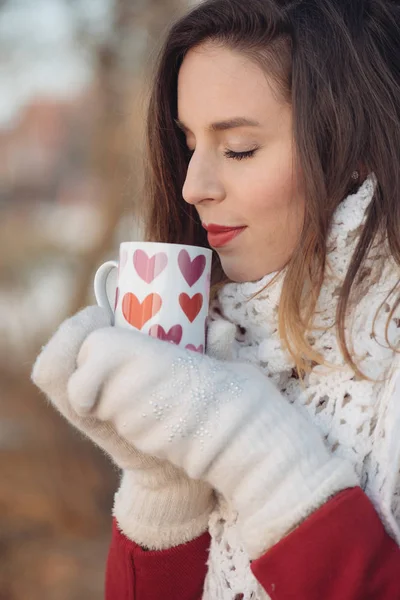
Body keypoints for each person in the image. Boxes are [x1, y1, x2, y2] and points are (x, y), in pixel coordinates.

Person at [31, 0, 400, 598]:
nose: (192, 186)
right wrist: (165, 485)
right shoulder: (226, 343)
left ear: (353, 149)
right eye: (188, 144)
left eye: (238, 149)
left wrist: (255, 453)